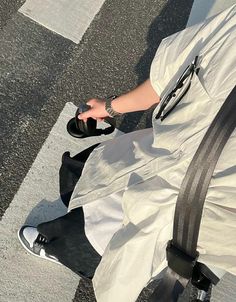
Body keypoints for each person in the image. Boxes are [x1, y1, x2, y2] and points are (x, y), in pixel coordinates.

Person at [18, 5, 236, 302]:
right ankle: (199, 272)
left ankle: (60, 246)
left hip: (169, 184)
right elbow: (171, 76)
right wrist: (109, 107)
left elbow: (170, 77)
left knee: (111, 233)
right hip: (202, 200)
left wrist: (109, 108)